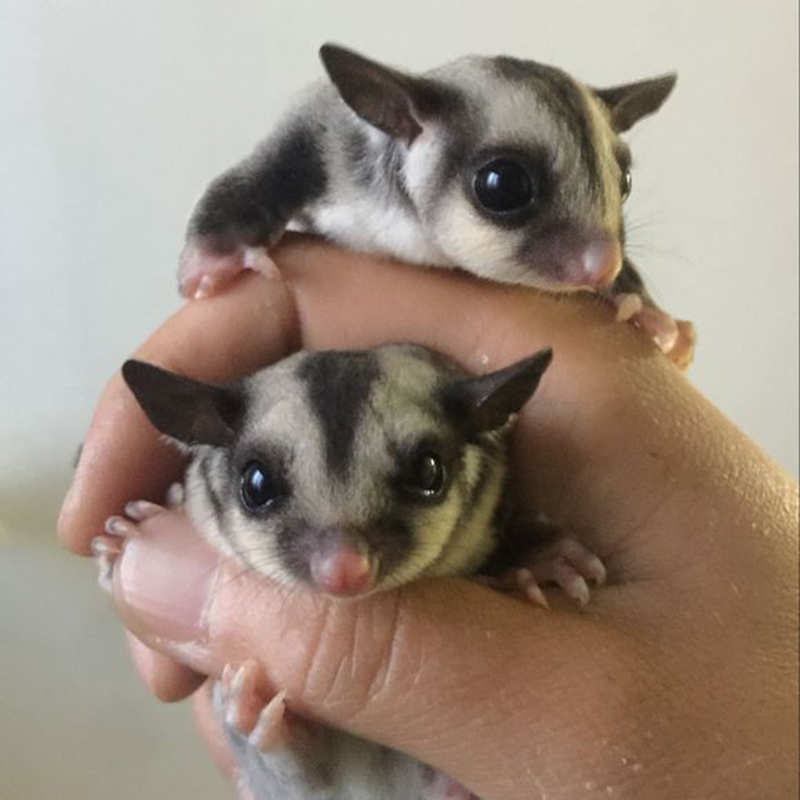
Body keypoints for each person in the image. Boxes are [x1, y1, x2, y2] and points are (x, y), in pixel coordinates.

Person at [58, 236, 798, 799]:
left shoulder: (506, 489)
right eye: (262, 486)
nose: (345, 566)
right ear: (200, 433)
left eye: (421, 475)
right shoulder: (199, 491)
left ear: (483, 424)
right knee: (257, 735)